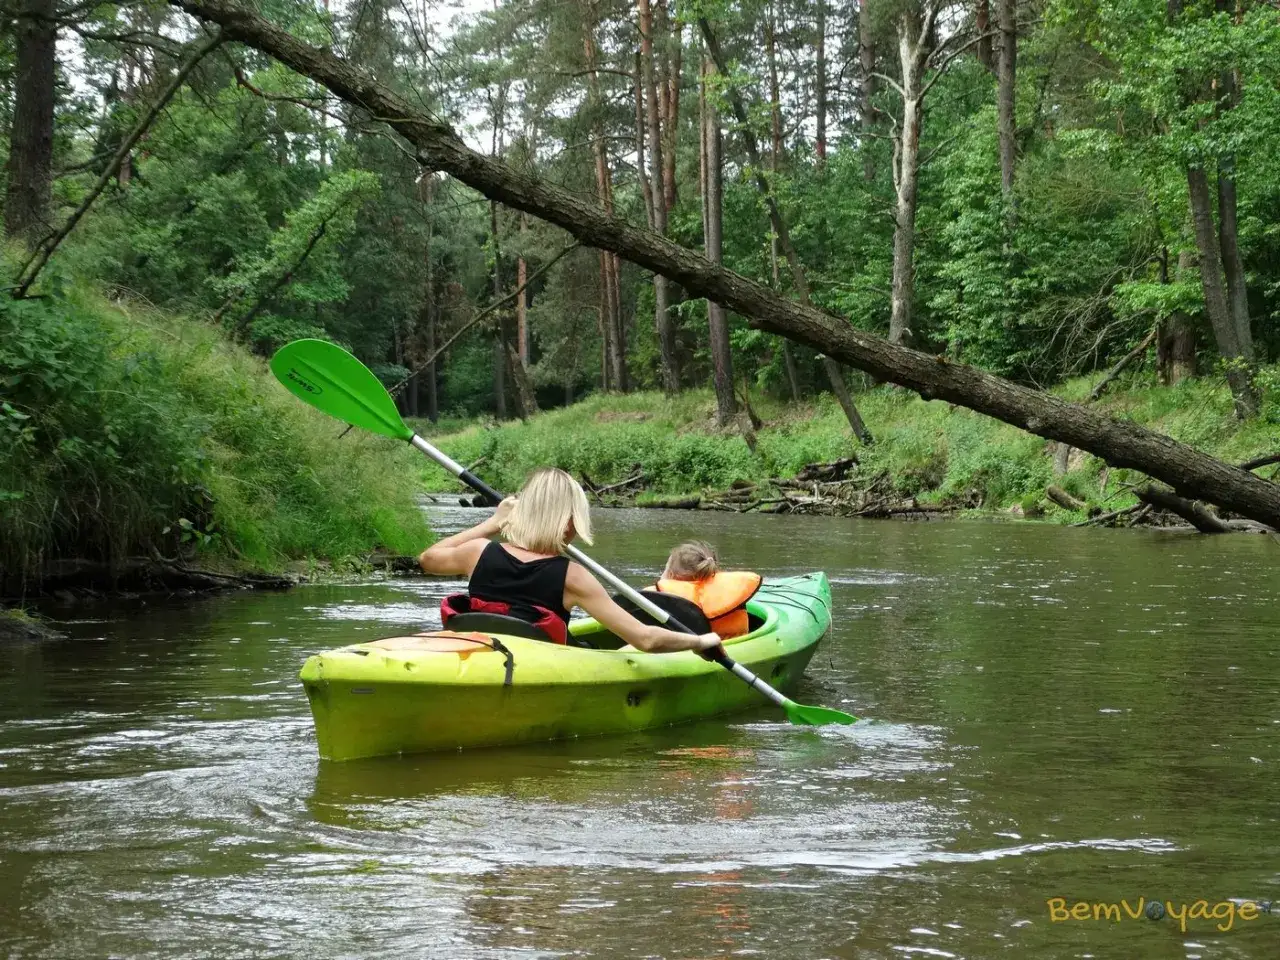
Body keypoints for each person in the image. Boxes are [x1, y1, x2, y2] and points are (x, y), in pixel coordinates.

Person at [418, 468, 722, 654]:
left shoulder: (478, 552)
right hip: (542, 667)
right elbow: (645, 639)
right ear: (567, 524)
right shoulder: (572, 577)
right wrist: (700, 641)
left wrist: (492, 524)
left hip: (487, 654)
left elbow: (427, 558)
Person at [654, 541, 762, 640]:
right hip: (735, 644)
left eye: (665, 568)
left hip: (681, 650)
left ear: (671, 575)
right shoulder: (731, 593)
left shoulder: (659, 598)